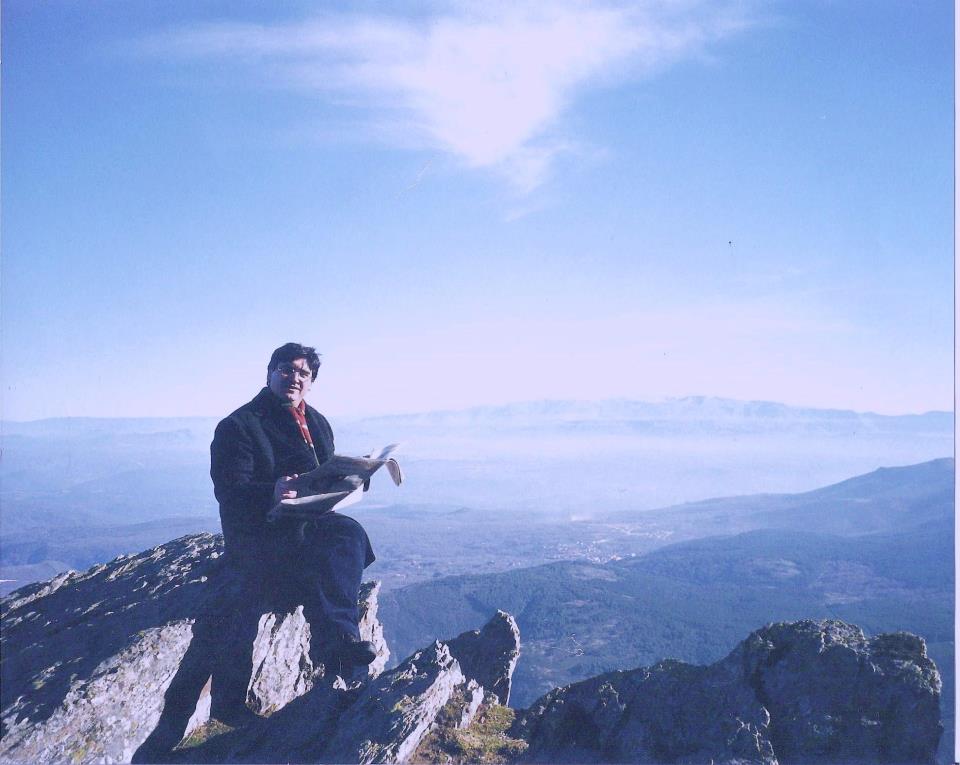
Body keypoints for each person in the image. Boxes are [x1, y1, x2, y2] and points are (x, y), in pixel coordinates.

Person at [210, 342, 378, 670]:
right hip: (260, 536)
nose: (295, 378)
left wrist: (357, 477)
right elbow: (229, 492)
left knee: (349, 532)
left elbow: (325, 475)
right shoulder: (240, 425)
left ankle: (340, 644)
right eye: (287, 369)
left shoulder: (317, 422)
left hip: (306, 525)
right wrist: (271, 492)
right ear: (270, 373)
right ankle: (338, 647)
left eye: (304, 373)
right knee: (338, 546)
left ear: (312, 381)